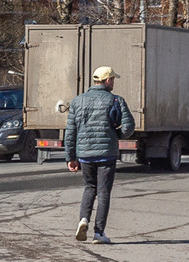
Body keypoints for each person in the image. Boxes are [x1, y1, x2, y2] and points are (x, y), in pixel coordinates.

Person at [65, 65, 136, 244]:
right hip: (106, 154)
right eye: (113, 79)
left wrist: (71, 158)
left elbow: (70, 132)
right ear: (107, 80)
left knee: (89, 187)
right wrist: (115, 135)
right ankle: (99, 233)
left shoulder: (77, 101)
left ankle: (83, 219)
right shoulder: (116, 100)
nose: (113, 83)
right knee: (104, 193)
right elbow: (128, 127)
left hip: (85, 154)